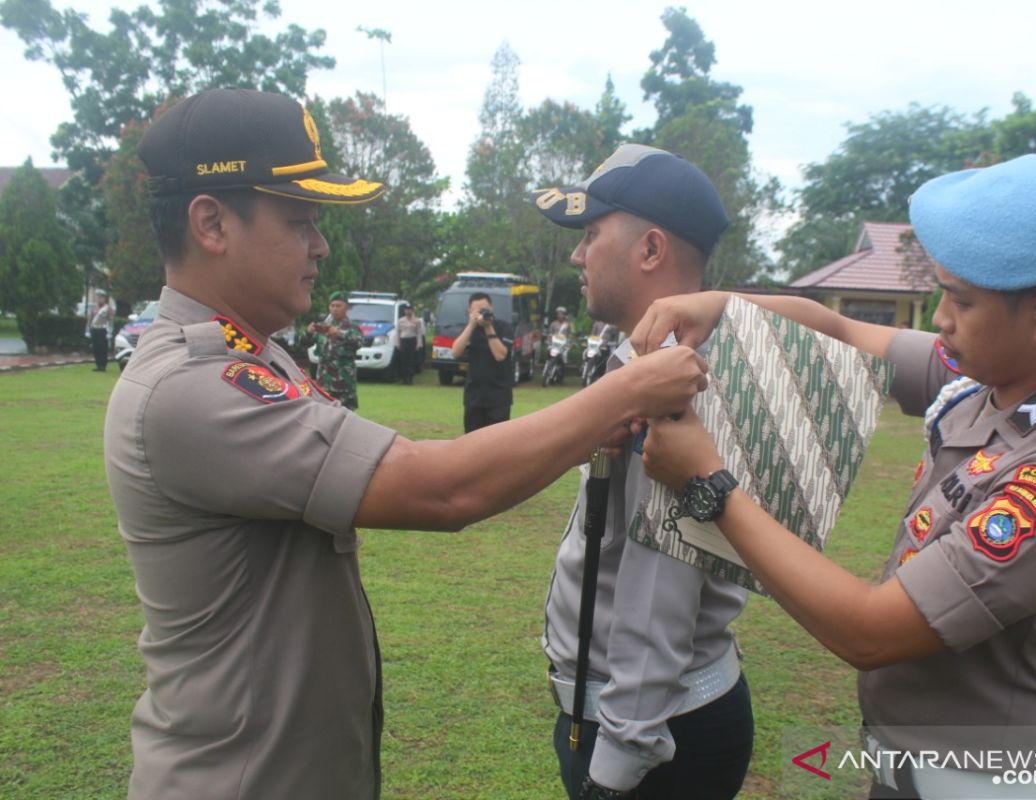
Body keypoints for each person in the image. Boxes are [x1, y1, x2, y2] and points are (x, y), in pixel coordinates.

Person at [104, 87, 708, 800]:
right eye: (300, 221)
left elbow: (389, 452)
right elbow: (439, 486)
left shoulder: (254, 355)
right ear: (211, 223)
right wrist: (628, 392)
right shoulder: (191, 383)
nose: (320, 244)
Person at [633, 154, 1036, 799]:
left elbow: (870, 631)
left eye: (961, 301)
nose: (939, 317)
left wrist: (708, 482)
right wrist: (723, 304)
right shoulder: (994, 377)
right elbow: (842, 328)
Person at [531, 143, 754, 800]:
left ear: (651, 249)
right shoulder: (654, 360)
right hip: (646, 712)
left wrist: (619, 762)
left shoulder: (678, 384)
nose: (577, 255)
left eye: (592, 236)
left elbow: (660, 590)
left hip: (653, 734)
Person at [449, 292, 514, 432]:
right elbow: (455, 352)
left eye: (485, 309)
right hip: (474, 397)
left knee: (497, 442)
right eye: (478, 310)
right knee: (472, 441)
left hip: (499, 397)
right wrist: (471, 325)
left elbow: (500, 355)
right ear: (469, 312)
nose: (483, 312)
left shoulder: (504, 327)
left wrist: (488, 327)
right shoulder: (468, 331)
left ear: (492, 308)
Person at [306, 291, 363, 410]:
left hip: (343, 382)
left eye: (338, 306)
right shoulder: (323, 327)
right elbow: (303, 344)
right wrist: (309, 333)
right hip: (324, 381)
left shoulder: (352, 328)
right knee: (322, 415)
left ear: (346, 308)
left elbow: (358, 342)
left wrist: (340, 334)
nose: (335, 309)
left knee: (345, 417)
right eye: (332, 306)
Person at [88, 290, 114, 371]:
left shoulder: (107, 308)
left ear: (104, 299)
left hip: (103, 330)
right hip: (94, 329)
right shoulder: (93, 307)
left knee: (102, 348)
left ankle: (103, 365)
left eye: (101, 298)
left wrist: (110, 332)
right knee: (95, 348)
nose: (99, 299)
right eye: (98, 297)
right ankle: (98, 365)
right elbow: (90, 319)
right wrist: (88, 330)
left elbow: (111, 320)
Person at [396, 302, 421, 384]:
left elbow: (418, 333)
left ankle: (410, 378)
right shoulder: (400, 321)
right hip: (403, 341)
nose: (408, 311)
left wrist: (418, 344)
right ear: (404, 311)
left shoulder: (417, 321)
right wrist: (398, 344)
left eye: (409, 310)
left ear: (412, 311)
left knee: (411, 360)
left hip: (412, 341)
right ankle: (404, 379)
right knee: (403, 360)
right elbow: (398, 333)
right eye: (406, 310)